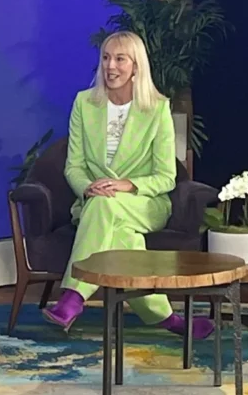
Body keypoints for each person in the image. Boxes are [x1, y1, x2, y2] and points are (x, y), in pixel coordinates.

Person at [44, 31, 214, 339]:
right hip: (94, 202)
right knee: (116, 227)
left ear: (136, 66)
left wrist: (127, 184)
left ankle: (73, 295)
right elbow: (74, 165)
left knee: (107, 206)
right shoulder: (85, 103)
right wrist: (87, 187)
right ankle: (168, 319)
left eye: (120, 59)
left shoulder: (157, 108)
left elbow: (166, 176)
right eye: (106, 58)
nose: (111, 66)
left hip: (145, 204)